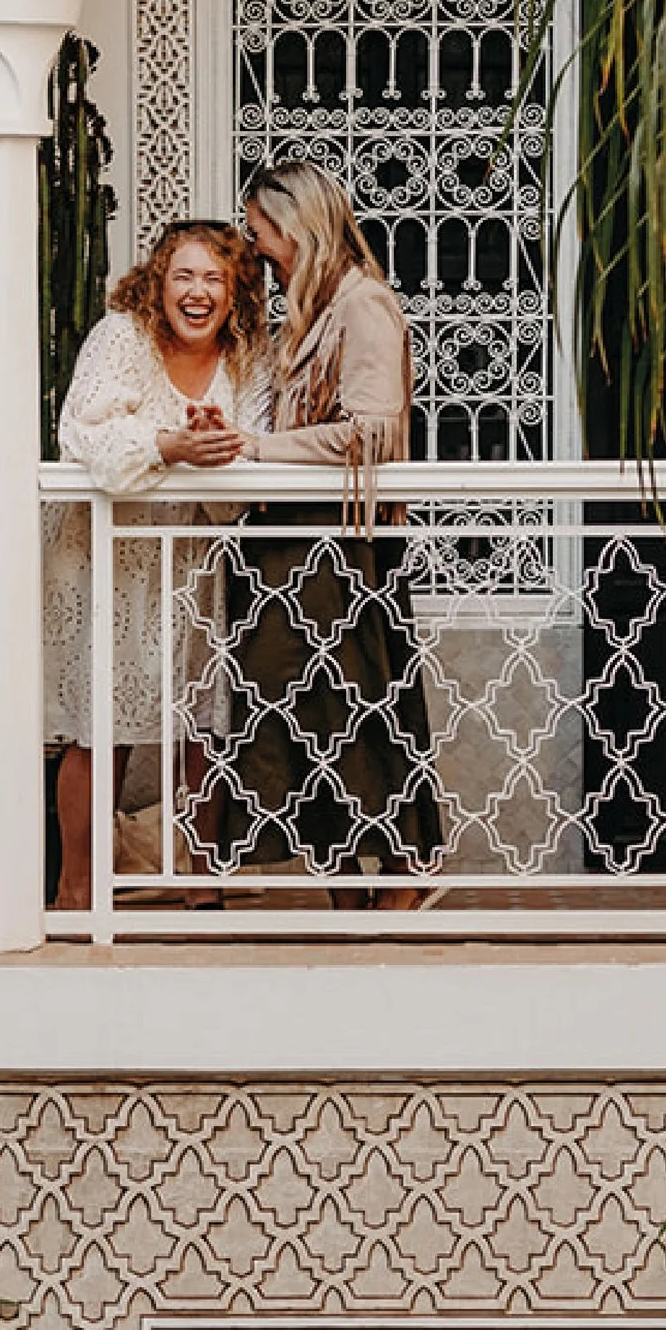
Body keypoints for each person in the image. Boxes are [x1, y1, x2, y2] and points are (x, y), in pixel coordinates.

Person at [217, 160, 446, 896]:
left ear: (295, 226)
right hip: (290, 545)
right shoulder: (311, 308)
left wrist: (262, 449)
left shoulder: (362, 305)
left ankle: (406, 866)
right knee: (303, 707)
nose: (254, 248)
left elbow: (373, 429)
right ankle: (341, 870)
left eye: (259, 233)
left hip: (335, 542)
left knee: (359, 699)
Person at [43, 221, 273, 910]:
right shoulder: (122, 336)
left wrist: (218, 447)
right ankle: (77, 885)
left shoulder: (248, 357)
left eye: (214, 279)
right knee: (100, 721)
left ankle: (202, 879)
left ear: (234, 295)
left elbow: (253, 443)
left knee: (203, 718)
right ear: (158, 282)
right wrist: (169, 444)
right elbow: (85, 428)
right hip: (105, 558)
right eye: (184, 276)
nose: (197, 293)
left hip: (192, 559)